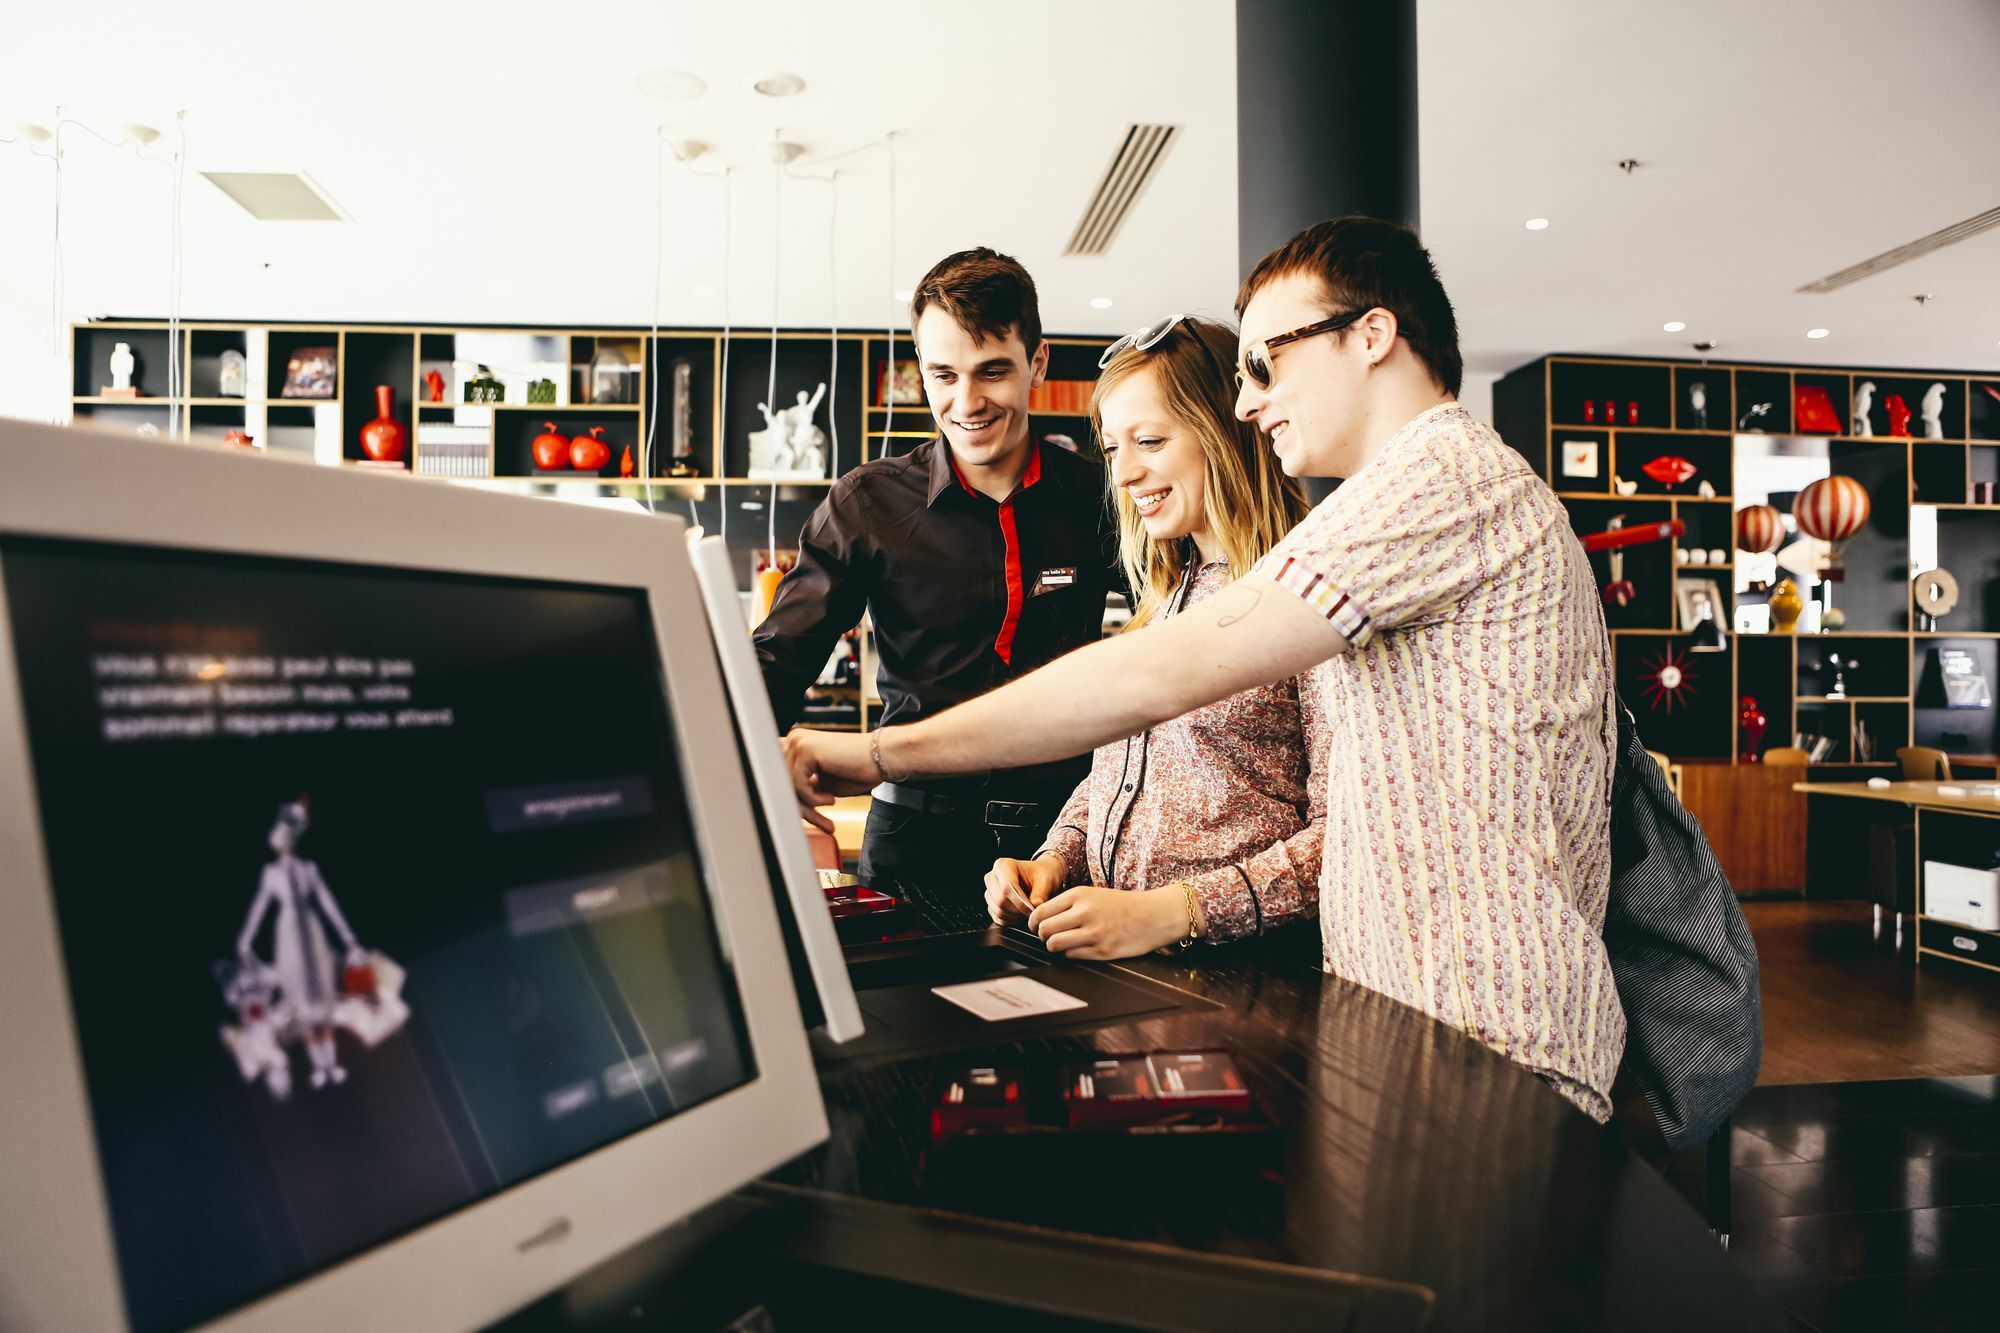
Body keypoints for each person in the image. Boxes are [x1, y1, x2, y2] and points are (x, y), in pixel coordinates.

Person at [785, 218, 1625, 1121]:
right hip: (1414, 1033)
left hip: (1489, 1045)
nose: (1250, 402)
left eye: (1266, 362)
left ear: (1372, 335)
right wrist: (1064, 854)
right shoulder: (1347, 525)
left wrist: (872, 755)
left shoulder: (1438, 483)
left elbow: (1147, 686)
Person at [753, 247, 1118, 909]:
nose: (965, 401)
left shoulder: (1104, 497)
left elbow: (1178, 627)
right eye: (942, 374)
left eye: (992, 372)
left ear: (1037, 363)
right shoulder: (867, 503)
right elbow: (777, 657)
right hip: (915, 841)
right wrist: (753, 757)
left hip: (1065, 846)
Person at [982, 315, 1326, 960]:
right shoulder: (1165, 600)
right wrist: (1057, 856)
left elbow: (1347, 838)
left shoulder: (1308, 593)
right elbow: (1123, 772)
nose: (1123, 474)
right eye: (1114, 449)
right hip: (1133, 974)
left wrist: (1174, 913)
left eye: (1150, 441)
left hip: (1251, 980)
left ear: (1226, 431)